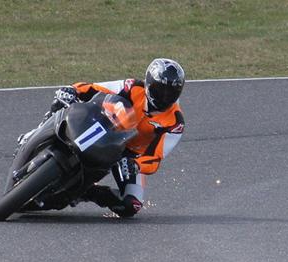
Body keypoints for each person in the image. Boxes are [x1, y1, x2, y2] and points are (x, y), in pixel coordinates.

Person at [21, 58, 185, 217]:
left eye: (170, 93)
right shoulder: (131, 87)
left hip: (128, 156)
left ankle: (87, 192)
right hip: (107, 127)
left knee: (131, 206)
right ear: (149, 84)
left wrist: (136, 165)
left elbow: (155, 157)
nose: (164, 97)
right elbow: (94, 88)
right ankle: (36, 132)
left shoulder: (175, 122)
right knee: (62, 102)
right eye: (160, 90)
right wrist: (73, 90)